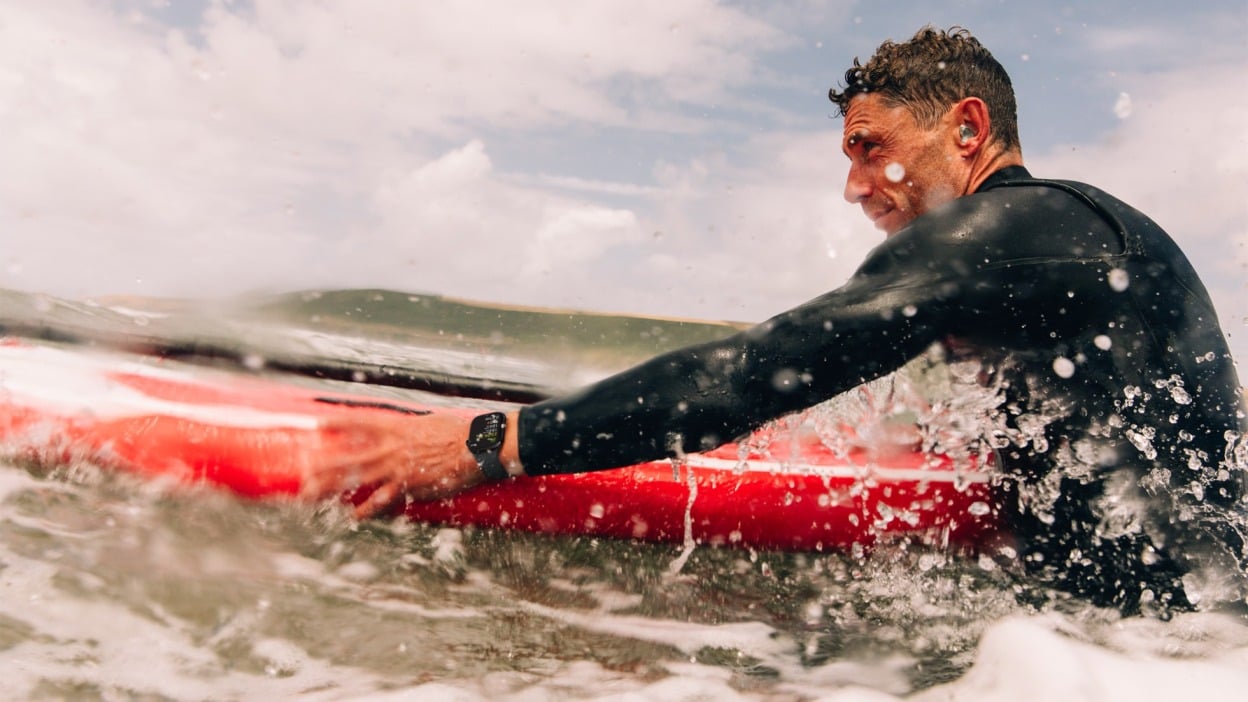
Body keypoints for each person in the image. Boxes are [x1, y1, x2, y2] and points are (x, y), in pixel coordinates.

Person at [306, 27, 1247, 615]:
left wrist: (494, 441)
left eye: (869, 149)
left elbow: (758, 372)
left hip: (1159, 648)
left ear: (967, 131)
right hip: (1162, 629)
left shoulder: (999, 238)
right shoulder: (1056, 246)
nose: (852, 187)